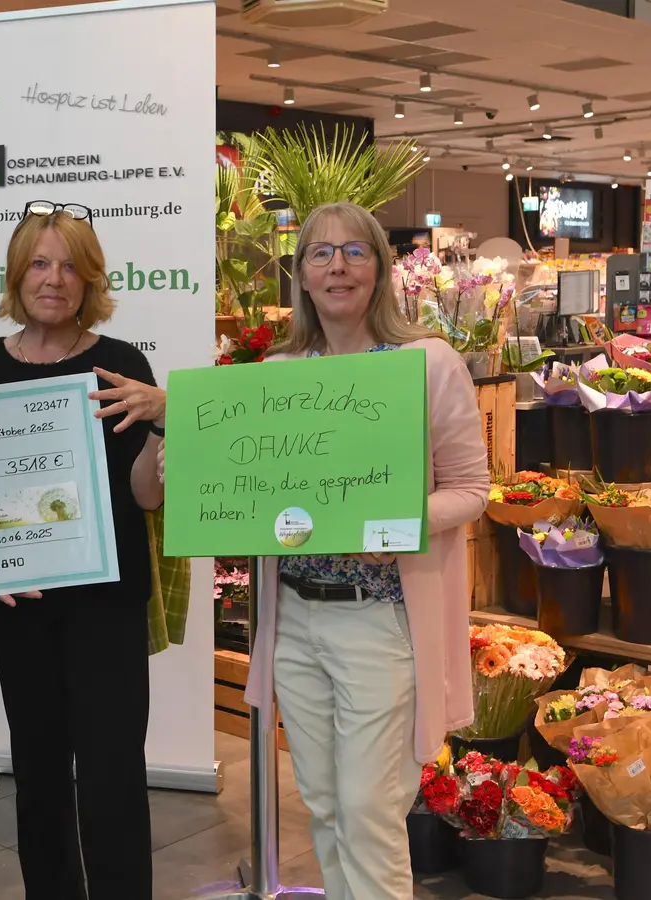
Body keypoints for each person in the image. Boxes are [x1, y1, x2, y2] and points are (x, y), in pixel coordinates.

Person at [170, 202, 489, 900]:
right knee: (321, 805)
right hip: (295, 622)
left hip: (378, 620)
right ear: (302, 276)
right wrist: (195, 473)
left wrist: (393, 526)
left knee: (369, 814)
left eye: (355, 251)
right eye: (320, 253)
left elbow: (472, 489)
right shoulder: (282, 372)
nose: (337, 265)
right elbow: (259, 497)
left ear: (380, 268)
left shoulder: (425, 363)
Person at [0, 200, 165, 900]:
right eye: (40, 262)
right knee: (37, 774)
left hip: (108, 605)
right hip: (25, 607)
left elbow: (146, 498)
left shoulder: (119, 365)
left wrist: (164, 428)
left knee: (112, 777)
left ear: (90, 280)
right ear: (17, 274)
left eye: (71, 265)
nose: (54, 278)